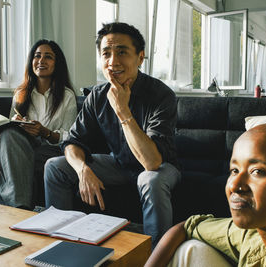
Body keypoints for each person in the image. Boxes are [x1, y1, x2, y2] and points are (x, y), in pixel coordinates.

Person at [44, 22, 181, 248]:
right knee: (54, 166)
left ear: (140, 57)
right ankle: (61, 245)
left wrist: (122, 111)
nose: (113, 62)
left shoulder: (161, 95)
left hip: (162, 166)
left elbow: (152, 161)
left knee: (151, 179)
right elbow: (72, 142)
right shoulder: (97, 95)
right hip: (119, 163)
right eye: (106, 53)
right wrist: (83, 169)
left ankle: (157, 256)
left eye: (122, 52)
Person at [145, 123, 266, 266]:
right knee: (190, 249)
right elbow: (188, 226)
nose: (234, 185)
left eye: (257, 171)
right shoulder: (255, 234)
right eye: (234, 170)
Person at [0, 39, 77, 210]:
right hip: (23, 145)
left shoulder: (67, 96)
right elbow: (12, 125)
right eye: (37, 56)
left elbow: (70, 136)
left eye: (48, 57)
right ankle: (21, 207)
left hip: (51, 151)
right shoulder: (21, 94)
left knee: (8, 155)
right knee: (8, 136)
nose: (41, 61)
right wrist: (20, 126)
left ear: (57, 63)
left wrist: (45, 132)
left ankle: (16, 208)